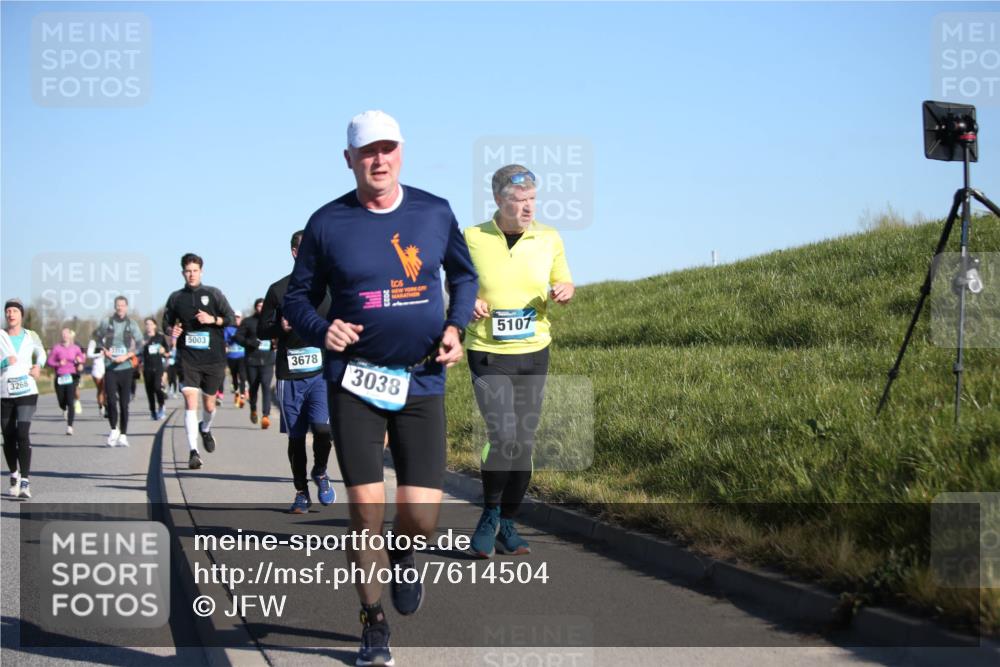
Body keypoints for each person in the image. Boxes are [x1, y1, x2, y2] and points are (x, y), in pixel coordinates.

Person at [283, 109, 477, 666]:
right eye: (367, 151)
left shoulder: (434, 212)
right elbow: (297, 299)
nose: (379, 159)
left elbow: (463, 274)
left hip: (421, 378)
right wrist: (325, 328)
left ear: (401, 153)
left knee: (421, 516)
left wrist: (456, 325)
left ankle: (406, 553)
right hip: (355, 381)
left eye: (387, 148)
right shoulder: (326, 223)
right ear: (349, 159)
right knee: (366, 508)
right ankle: (372, 620)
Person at [463, 165, 574, 558]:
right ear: (498, 200)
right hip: (489, 353)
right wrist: (467, 301)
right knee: (504, 437)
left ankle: (509, 522)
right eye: (519, 201)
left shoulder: (548, 237)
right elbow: (455, 282)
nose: (528, 208)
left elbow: (565, 279)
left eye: (532, 200)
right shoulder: (472, 237)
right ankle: (489, 515)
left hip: (534, 351)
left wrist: (564, 289)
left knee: (524, 445)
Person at [260, 230, 335, 514]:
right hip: (289, 374)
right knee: (296, 436)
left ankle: (321, 470)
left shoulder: (330, 287)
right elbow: (261, 329)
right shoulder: (278, 290)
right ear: (295, 253)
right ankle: (301, 492)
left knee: (322, 429)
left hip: (321, 371)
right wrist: (281, 327)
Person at [163, 253, 237, 470]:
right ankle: (193, 452)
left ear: (201, 272)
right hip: (188, 359)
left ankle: (205, 427)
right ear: (182, 273)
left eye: (195, 270)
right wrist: (171, 330)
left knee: (209, 405)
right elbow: (165, 324)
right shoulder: (176, 297)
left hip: (213, 359)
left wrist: (213, 319)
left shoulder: (213, 294)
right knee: (190, 401)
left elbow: (231, 319)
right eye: (188, 271)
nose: (191, 274)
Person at [1, 298, 47, 498]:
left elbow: (42, 353)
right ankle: (14, 474)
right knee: (8, 437)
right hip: (4, 393)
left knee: (22, 433)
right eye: (8, 311)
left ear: (21, 315)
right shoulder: (0, 336)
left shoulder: (31, 335)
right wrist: (3, 361)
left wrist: (38, 366)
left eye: (15, 311)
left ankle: (25, 481)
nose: (11, 314)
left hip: (27, 390)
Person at [92, 296, 144, 448]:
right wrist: (105, 350)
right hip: (110, 367)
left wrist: (128, 355)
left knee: (124, 403)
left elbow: (140, 343)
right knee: (111, 401)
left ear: (127, 307)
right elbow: (96, 338)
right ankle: (114, 429)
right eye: (118, 305)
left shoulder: (131, 324)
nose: (120, 308)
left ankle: (123, 435)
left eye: (123, 305)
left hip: (126, 368)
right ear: (115, 307)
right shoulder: (106, 323)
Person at [234, 299, 275, 429]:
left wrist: (276, 342)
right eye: (258, 306)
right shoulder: (248, 322)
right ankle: (253, 409)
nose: (261, 308)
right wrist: (250, 342)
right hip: (252, 360)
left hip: (268, 360)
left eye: (263, 306)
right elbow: (238, 337)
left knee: (266, 386)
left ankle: (265, 416)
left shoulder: (272, 321)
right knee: (253, 387)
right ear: (255, 307)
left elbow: (279, 334)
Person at [46, 327, 85, 435]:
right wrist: (58, 364)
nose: (65, 336)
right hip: (60, 376)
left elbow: (82, 358)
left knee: (70, 401)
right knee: (61, 400)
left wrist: (79, 361)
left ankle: (70, 426)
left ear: (69, 335)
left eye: (66, 334)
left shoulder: (75, 348)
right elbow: (49, 361)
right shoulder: (56, 348)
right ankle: (63, 408)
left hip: (71, 376)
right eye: (63, 334)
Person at [141, 318, 170, 420]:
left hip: (158, 367)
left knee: (157, 387)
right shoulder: (143, 338)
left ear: (155, 325)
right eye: (147, 324)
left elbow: (167, 352)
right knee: (149, 391)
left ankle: (161, 406)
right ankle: (153, 411)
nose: (148, 326)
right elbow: (138, 352)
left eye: (150, 324)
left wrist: (163, 351)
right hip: (147, 368)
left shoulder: (160, 337)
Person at [224, 313, 247, 407]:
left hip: (243, 355)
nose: (236, 319)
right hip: (231, 356)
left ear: (241, 319)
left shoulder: (244, 328)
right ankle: (237, 391)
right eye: (235, 318)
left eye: (238, 318)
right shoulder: (228, 329)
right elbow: (224, 341)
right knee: (234, 376)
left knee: (242, 376)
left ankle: (242, 395)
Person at [86, 337, 107, 417]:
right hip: (97, 368)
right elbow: (89, 354)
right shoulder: (93, 341)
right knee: (101, 389)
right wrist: (99, 354)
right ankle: (101, 406)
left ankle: (106, 406)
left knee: (107, 389)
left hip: (107, 367)